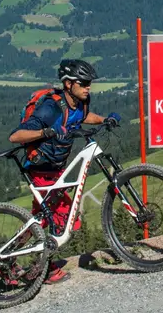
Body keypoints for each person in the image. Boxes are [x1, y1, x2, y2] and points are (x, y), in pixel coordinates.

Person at [8, 58, 120, 283]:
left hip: (56, 169)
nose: (89, 87)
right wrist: (45, 132)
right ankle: (43, 268)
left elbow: (83, 117)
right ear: (69, 84)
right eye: (84, 82)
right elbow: (16, 136)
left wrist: (104, 119)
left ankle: (12, 261)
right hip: (40, 168)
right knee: (60, 220)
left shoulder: (80, 102)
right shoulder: (51, 108)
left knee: (44, 219)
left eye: (90, 83)